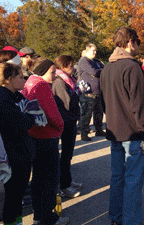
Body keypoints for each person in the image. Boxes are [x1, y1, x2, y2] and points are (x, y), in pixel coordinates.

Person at [100, 27, 144, 225]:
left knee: (117, 178)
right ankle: (130, 221)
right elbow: (138, 105)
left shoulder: (107, 67)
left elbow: (103, 102)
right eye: (137, 41)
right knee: (132, 181)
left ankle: (116, 217)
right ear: (130, 42)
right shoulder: (131, 67)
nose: (139, 45)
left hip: (114, 131)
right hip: (133, 134)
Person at [22, 57, 69, 225]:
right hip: (46, 137)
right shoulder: (41, 86)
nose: (55, 75)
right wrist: (60, 128)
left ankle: (39, 215)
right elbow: (52, 113)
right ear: (42, 71)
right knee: (49, 179)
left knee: (38, 179)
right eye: (52, 72)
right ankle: (48, 217)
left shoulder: (29, 83)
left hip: (34, 135)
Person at [0, 63, 35, 225]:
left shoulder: (15, 95)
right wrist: (28, 116)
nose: (24, 80)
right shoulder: (4, 100)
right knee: (13, 198)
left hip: (20, 153)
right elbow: (25, 122)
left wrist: (29, 115)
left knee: (16, 197)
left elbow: (34, 112)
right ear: (8, 79)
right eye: (20, 77)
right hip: (13, 156)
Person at [52, 55, 82, 198]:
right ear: (63, 67)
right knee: (65, 155)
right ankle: (64, 185)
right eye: (70, 65)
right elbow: (67, 103)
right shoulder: (59, 81)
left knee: (67, 155)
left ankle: (67, 181)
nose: (73, 68)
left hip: (69, 120)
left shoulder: (67, 80)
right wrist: (78, 93)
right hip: (65, 121)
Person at [77, 43, 105, 141]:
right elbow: (94, 72)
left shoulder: (96, 61)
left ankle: (99, 129)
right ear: (87, 51)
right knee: (86, 114)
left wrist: (99, 70)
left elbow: (104, 70)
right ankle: (84, 133)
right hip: (88, 93)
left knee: (99, 113)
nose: (95, 52)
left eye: (96, 50)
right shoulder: (84, 61)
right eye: (93, 50)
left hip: (99, 91)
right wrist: (100, 71)